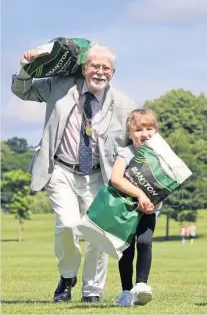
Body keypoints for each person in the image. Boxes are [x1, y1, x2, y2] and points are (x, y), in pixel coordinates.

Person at [11, 45, 136, 303]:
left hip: (99, 176)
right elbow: (22, 90)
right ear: (83, 68)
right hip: (60, 169)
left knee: (98, 233)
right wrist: (25, 67)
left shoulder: (125, 105)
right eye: (95, 66)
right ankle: (67, 276)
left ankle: (92, 291)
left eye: (106, 68)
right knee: (67, 224)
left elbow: (136, 143)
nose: (100, 72)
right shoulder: (60, 87)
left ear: (113, 72)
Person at [111, 109, 161, 307]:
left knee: (145, 242)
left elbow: (170, 181)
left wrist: (153, 202)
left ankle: (141, 285)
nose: (144, 133)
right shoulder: (126, 153)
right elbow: (116, 179)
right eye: (138, 129)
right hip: (125, 209)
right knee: (127, 249)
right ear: (130, 134)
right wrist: (140, 194)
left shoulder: (160, 155)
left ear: (156, 131)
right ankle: (125, 291)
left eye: (149, 128)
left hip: (149, 210)